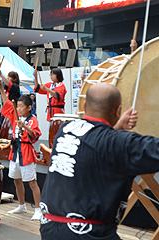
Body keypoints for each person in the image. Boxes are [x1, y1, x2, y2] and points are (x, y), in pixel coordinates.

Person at [38, 83, 155, 239]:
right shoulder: (120, 143)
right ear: (118, 111)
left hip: (50, 228)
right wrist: (119, 132)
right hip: (89, 234)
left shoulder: (65, 130)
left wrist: (117, 128)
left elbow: (95, 142)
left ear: (85, 105)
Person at [0, 78, 42, 220]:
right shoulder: (15, 116)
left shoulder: (32, 120)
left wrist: (25, 127)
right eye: (18, 106)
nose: (19, 109)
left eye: (22, 106)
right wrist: (0, 89)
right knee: (16, 179)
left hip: (26, 152)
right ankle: (22, 205)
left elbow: (35, 136)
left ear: (29, 108)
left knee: (32, 182)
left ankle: (38, 209)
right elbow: (7, 102)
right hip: (15, 152)